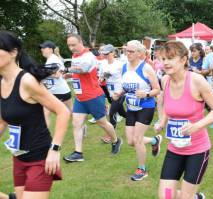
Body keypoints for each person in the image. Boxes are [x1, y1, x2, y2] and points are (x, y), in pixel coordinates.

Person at [0, 31, 70, 199]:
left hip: (40, 158)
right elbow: (3, 120)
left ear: (13, 52)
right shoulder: (2, 83)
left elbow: (63, 111)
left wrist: (55, 150)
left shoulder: (27, 81)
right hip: (19, 157)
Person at [155, 40, 213, 199]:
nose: (165, 62)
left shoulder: (196, 80)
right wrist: (162, 121)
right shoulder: (165, 80)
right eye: (163, 59)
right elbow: (168, 106)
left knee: (185, 197)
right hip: (175, 149)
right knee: (166, 196)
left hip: (197, 151)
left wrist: (197, 126)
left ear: (184, 60)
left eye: (170, 58)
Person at [63, 34, 122, 162]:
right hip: (80, 97)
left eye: (73, 44)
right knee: (76, 123)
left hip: (93, 96)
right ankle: (78, 153)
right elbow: (78, 73)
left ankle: (116, 141)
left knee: (102, 123)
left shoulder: (88, 56)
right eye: (69, 45)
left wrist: (66, 68)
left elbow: (83, 69)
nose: (71, 48)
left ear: (80, 42)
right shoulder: (75, 56)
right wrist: (69, 74)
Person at [113, 40, 161, 181]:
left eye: (131, 51)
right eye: (126, 51)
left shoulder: (146, 68)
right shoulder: (124, 67)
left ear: (140, 53)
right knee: (130, 141)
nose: (128, 53)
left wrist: (146, 94)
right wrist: (118, 93)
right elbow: (126, 87)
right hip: (131, 107)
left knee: (138, 139)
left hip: (146, 106)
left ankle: (142, 169)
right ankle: (154, 141)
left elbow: (157, 89)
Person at [40, 40, 72, 127]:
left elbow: (57, 75)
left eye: (44, 48)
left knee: (70, 113)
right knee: (46, 112)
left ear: (50, 49)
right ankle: (45, 137)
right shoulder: (50, 59)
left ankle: (81, 126)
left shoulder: (53, 59)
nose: (42, 49)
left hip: (61, 92)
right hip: (53, 92)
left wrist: (42, 73)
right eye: (41, 48)